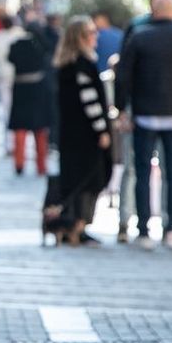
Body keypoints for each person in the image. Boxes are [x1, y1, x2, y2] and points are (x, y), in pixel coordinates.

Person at [116, 0, 172, 251]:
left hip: (145, 114)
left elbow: (123, 76)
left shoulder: (140, 37)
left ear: (153, 10)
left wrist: (121, 108)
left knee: (142, 172)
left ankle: (143, 230)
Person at [114, 0, 172, 242]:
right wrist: (123, 108)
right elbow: (124, 71)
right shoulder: (137, 27)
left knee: (167, 169)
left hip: (168, 110)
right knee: (133, 167)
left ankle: (168, 224)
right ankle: (126, 220)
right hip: (138, 107)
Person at [48, 17, 113, 246]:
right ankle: (78, 225)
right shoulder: (82, 66)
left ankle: (69, 225)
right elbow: (91, 102)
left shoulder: (66, 65)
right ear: (80, 38)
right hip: (86, 136)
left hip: (70, 134)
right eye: (91, 33)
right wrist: (102, 131)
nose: (96, 37)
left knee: (74, 179)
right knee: (89, 181)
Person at [6, 17, 52, 176]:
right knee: (39, 129)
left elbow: (10, 58)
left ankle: (19, 163)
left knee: (21, 128)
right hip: (37, 90)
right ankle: (41, 165)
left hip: (21, 89)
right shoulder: (40, 45)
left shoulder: (17, 45)